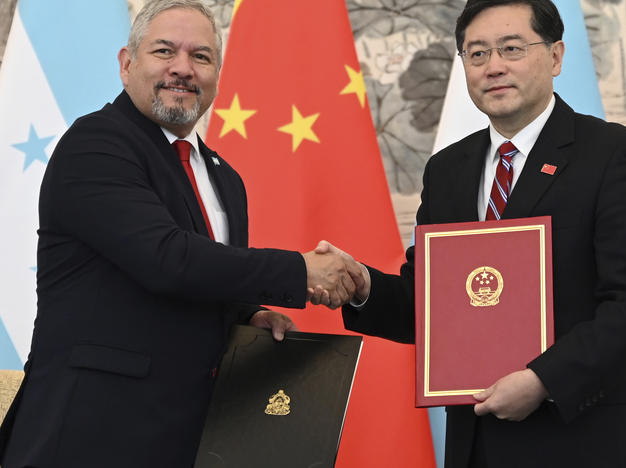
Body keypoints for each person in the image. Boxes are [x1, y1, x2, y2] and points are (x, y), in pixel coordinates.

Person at [0, 1, 362, 467]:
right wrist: (300, 270)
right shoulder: (96, 144)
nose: (183, 69)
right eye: (165, 51)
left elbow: (205, 278)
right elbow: (166, 259)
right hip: (87, 435)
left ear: (216, 74)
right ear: (127, 64)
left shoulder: (224, 177)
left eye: (202, 57)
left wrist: (247, 315)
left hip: (186, 436)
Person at [314, 0, 626, 466]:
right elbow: (434, 307)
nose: (494, 67)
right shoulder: (448, 170)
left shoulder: (611, 153)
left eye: (511, 48)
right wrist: (364, 287)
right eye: (477, 53)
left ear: (557, 56)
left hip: (587, 437)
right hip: (479, 443)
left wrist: (543, 381)